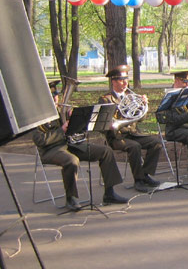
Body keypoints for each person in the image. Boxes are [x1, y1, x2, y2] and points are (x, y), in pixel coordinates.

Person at [34, 81, 128, 210]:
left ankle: (109, 193)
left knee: (105, 151)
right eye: (53, 97)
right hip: (51, 149)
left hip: (70, 145)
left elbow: (73, 130)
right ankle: (71, 198)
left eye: (56, 96)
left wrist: (77, 121)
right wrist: (62, 130)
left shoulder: (61, 110)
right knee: (72, 160)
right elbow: (40, 140)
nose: (56, 99)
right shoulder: (37, 116)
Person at [99, 65, 162, 192]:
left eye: (126, 79)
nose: (125, 83)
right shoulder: (106, 99)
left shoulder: (131, 96)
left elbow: (140, 119)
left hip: (133, 133)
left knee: (156, 143)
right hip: (116, 137)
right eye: (121, 80)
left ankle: (145, 174)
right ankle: (138, 180)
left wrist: (143, 105)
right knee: (134, 147)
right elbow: (103, 123)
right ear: (113, 81)